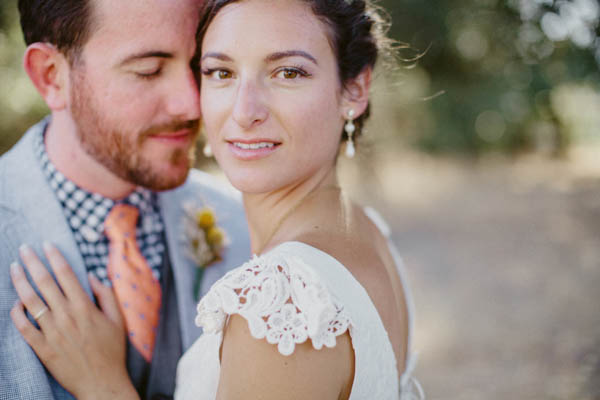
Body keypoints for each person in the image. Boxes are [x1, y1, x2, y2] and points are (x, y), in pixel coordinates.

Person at [11, 0, 425, 398]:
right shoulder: (359, 231)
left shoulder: (283, 290)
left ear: (354, 89)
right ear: (50, 75)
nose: (196, 105)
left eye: (289, 72)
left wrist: (105, 390)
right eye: (218, 71)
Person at [1, 0, 250, 398]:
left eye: (200, 66)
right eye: (148, 71)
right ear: (51, 77)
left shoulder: (241, 223)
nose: (191, 104)